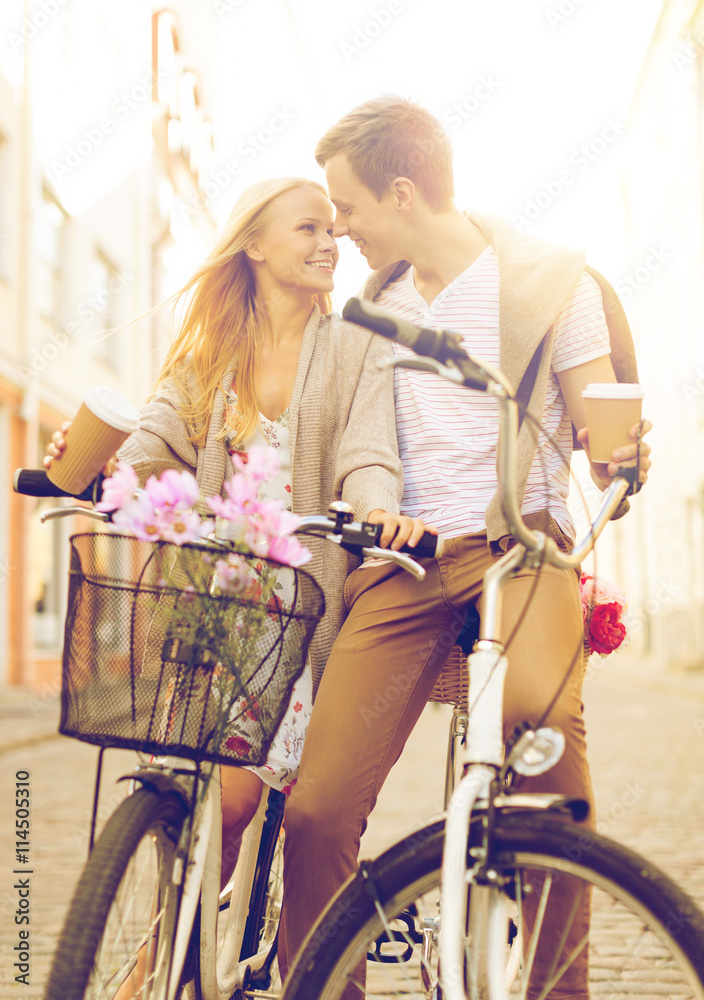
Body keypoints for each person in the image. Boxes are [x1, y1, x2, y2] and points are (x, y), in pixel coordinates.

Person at [278, 97, 652, 998]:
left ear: (401, 193)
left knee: (544, 742)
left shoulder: (555, 286)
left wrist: (620, 455)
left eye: (349, 209)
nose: (342, 232)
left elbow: (604, 427)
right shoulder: (375, 311)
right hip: (404, 566)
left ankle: (554, 989)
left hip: (516, 549)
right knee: (317, 811)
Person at [43, 175, 424, 999]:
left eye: (332, 227)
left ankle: (177, 965)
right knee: (204, 799)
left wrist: (378, 505)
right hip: (211, 605)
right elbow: (153, 435)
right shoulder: (208, 350)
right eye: (308, 228)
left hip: (305, 606)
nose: (329, 242)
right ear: (253, 245)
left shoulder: (356, 342)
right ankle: (164, 960)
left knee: (241, 802)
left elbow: (368, 447)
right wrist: (108, 468)